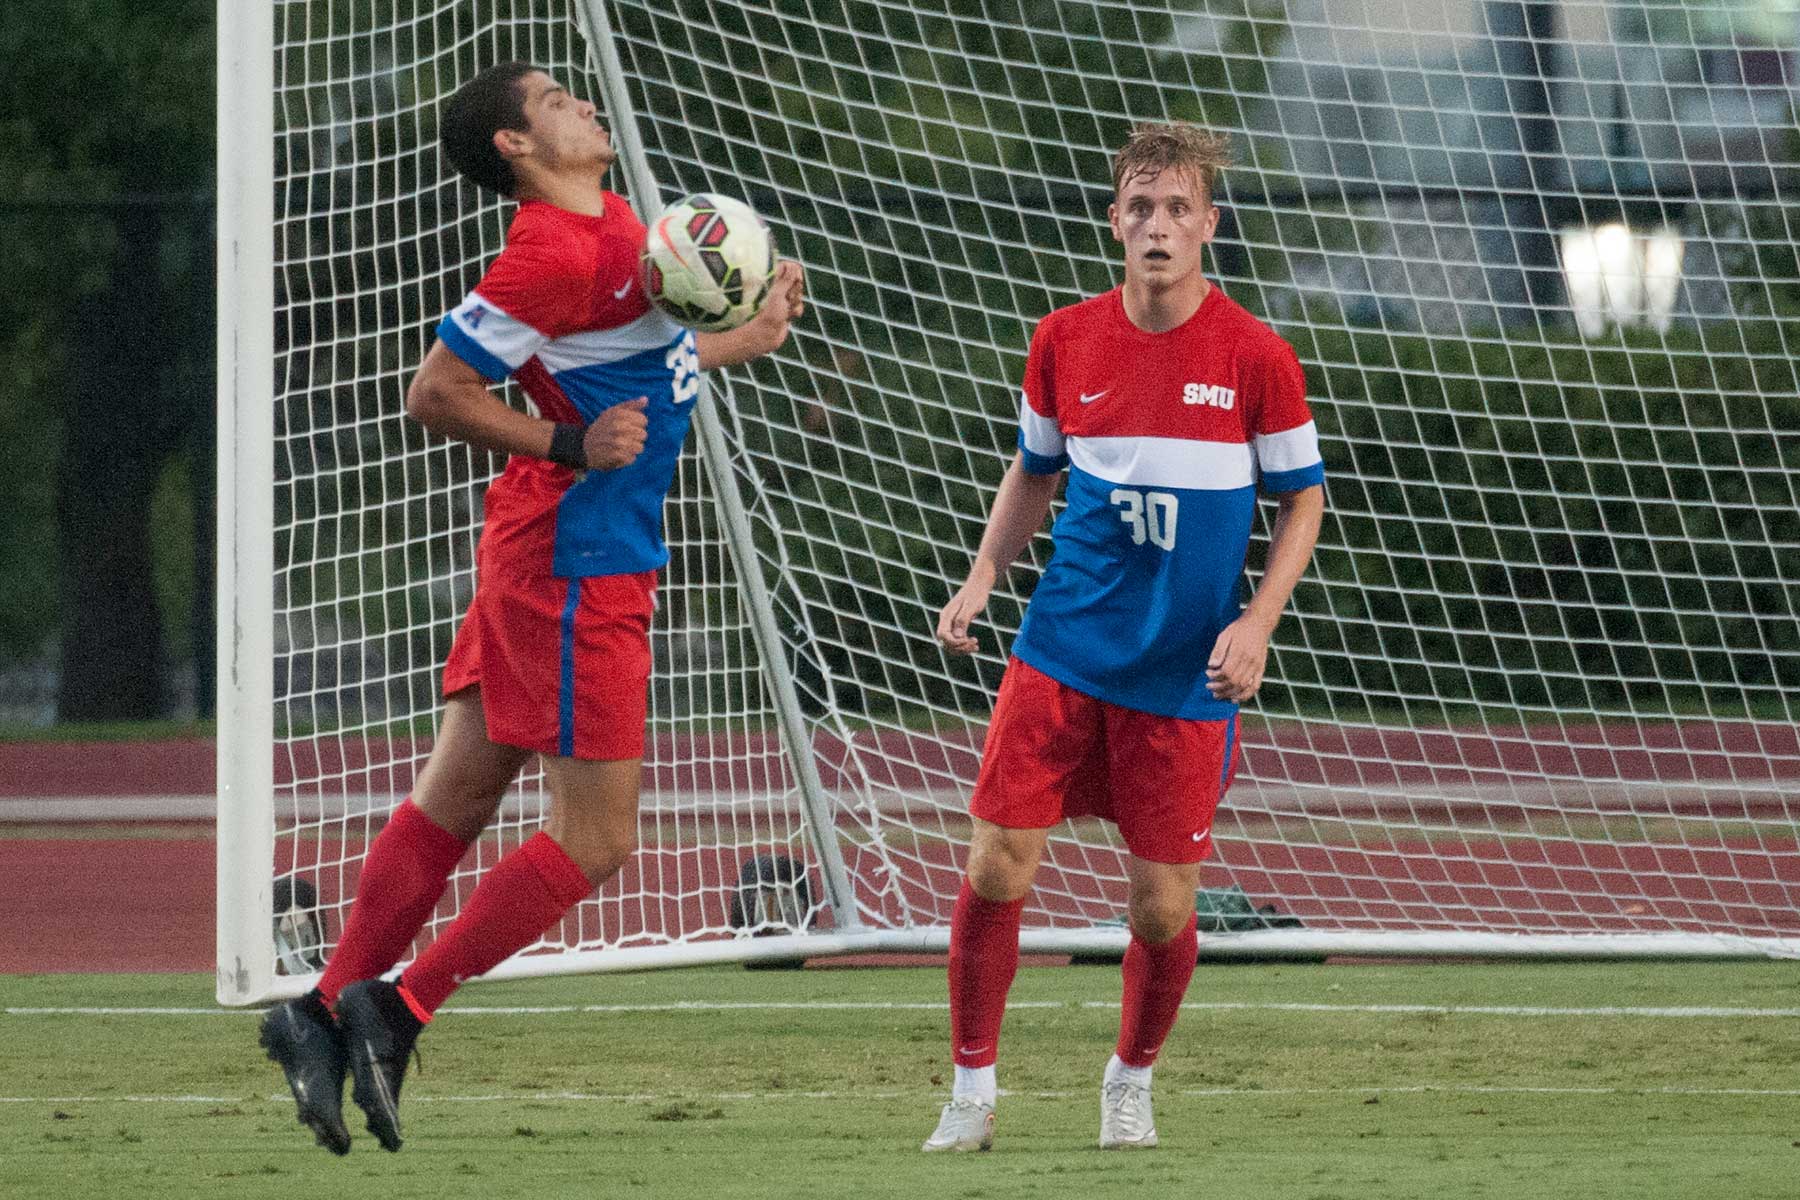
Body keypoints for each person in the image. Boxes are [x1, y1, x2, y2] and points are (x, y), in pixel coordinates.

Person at [258, 61, 805, 1156]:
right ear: (515, 146)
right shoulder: (548, 253)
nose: (584, 104)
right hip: (572, 566)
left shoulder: (619, 225)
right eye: (556, 101)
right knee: (597, 839)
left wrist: (746, 332)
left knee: (457, 799)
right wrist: (567, 441)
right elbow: (435, 393)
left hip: (558, 551)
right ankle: (397, 1009)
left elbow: (646, 359)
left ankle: (315, 1013)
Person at [923, 122, 1325, 1153]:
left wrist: (1258, 621)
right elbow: (1034, 472)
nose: (1158, 225)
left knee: (1159, 909)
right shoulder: (1064, 338)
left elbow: (1304, 501)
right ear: (1115, 221)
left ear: (1208, 226)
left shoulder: (1257, 356)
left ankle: (1130, 1079)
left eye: (1177, 208)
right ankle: (970, 1092)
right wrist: (984, 572)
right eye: (1141, 206)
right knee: (997, 865)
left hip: (1184, 676)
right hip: (1062, 648)